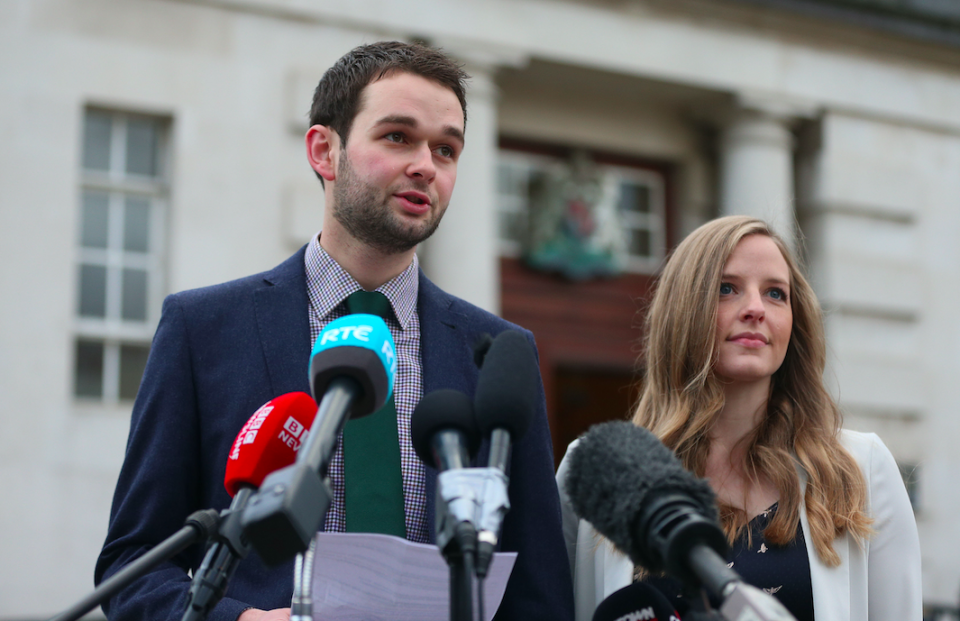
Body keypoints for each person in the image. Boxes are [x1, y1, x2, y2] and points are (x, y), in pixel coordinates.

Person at [96, 41, 574, 621]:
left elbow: (541, 590)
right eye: (397, 136)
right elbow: (132, 567)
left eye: (446, 149)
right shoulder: (203, 330)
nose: (426, 163)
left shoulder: (499, 353)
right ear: (325, 150)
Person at [556, 216, 921, 621]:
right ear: (684, 311)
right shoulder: (598, 470)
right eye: (727, 289)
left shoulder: (862, 467)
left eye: (775, 294)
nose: (755, 309)